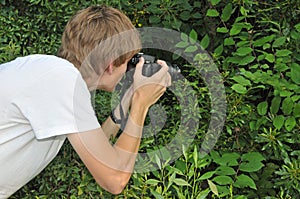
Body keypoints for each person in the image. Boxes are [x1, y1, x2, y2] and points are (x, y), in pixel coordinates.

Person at [0, 5, 171, 198]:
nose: (128, 71)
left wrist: (129, 97)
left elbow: (98, 148)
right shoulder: (61, 80)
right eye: (128, 62)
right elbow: (114, 180)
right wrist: (142, 103)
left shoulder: (51, 75)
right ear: (110, 64)